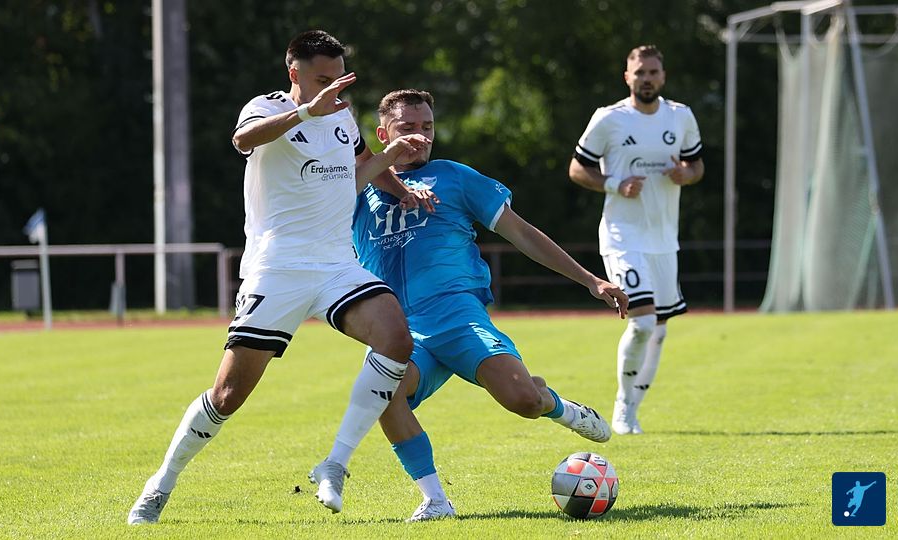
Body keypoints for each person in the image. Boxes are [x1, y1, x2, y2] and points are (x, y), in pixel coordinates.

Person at [128, 30, 436, 524]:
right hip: (278, 267)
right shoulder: (266, 107)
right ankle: (160, 484)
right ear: (294, 73)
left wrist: (399, 181)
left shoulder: (342, 116)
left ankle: (334, 464)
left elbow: (359, 170)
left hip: (336, 264)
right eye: (322, 79)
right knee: (227, 396)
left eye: (338, 79)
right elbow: (243, 139)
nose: (333, 89)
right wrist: (306, 112)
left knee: (397, 339)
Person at [351, 89, 629, 521]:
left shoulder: (455, 177)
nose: (421, 136)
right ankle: (436, 500)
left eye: (428, 127)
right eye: (408, 128)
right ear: (383, 134)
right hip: (399, 329)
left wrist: (590, 280)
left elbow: (522, 233)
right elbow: (314, 209)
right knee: (381, 393)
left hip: (458, 317)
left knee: (524, 401)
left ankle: (558, 406)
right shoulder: (357, 189)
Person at [568, 45, 704, 435]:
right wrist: (614, 183)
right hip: (622, 236)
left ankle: (633, 408)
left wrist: (686, 174)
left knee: (658, 330)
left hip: (664, 239)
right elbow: (577, 168)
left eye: (653, 72)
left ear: (663, 76)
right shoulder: (609, 118)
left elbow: (696, 165)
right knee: (643, 322)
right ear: (627, 77)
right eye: (640, 72)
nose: (647, 78)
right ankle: (623, 409)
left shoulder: (680, 116)